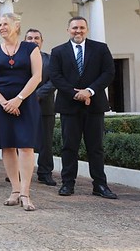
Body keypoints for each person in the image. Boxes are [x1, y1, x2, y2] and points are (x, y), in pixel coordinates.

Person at [50, 16, 118, 199]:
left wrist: (89, 91)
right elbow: (55, 76)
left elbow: (109, 72)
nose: (77, 31)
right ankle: (68, 184)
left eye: (81, 28)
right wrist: (75, 93)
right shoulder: (58, 51)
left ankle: (100, 185)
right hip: (69, 106)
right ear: (68, 30)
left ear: (86, 29)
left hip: (94, 105)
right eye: (74, 28)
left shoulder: (100, 48)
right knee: (69, 147)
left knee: (95, 148)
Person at [0, 13, 42, 211]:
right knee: (7, 147)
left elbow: (37, 77)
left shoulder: (31, 48)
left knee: (26, 146)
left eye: (5, 24)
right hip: (1, 105)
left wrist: (18, 99)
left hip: (25, 103)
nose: (2, 27)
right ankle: (15, 190)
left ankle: (26, 193)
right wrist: (3, 102)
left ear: (16, 26)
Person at [25, 29, 58, 187]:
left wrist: (37, 94)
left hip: (45, 106)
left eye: (37, 38)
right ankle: (19, 171)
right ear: (25, 41)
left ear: (42, 41)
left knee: (46, 141)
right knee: (22, 140)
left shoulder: (51, 60)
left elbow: (55, 81)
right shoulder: (18, 60)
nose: (33, 41)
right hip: (22, 106)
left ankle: (45, 173)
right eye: (30, 38)